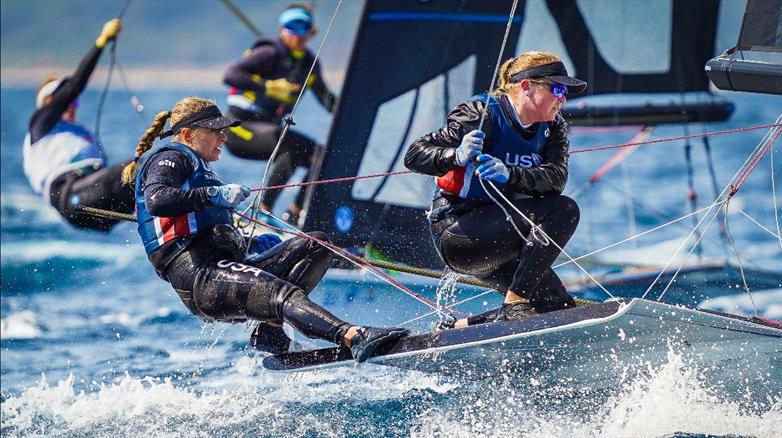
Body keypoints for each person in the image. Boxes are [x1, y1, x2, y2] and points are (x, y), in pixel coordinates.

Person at [121, 96, 406, 361]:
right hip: (200, 277)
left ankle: (270, 330)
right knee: (279, 292)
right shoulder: (170, 157)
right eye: (215, 131)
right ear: (187, 135)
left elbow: (213, 231)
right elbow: (157, 200)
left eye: (224, 129)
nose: (224, 136)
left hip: (225, 264)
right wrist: (213, 195)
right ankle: (353, 336)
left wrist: (253, 242)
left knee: (316, 244)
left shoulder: (202, 168)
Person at [405, 51, 585, 325]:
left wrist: (509, 173)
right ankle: (514, 302)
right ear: (527, 86)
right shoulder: (480, 114)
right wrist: (456, 156)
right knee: (565, 210)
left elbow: (556, 179)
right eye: (557, 88)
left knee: (558, 311)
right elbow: (414, 155)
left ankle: (459, 327)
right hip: (459, 232)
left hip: (504, 240)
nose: (563, 98)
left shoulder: (554, 127)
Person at [222, 3, 336, 224]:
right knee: (291, 145)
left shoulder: (308, 64)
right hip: (239, 130)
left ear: (312, 32)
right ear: (281, 28)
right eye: (290, 26)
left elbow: (327, 100)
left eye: (302, 27)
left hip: (269, 131)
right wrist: (269, 86)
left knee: (322, 156)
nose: (296, 33)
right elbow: (231, 74)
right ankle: (263, 209)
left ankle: (296, 214)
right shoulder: (269, 51)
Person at [23, 18, 134, 232]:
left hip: (96, 205)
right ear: (49, 103)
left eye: (74, 102)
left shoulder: (78, 134)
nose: (72, 105)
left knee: (160, 175)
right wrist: (101, 43)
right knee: (145, 167)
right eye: (66, 100)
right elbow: (75, 85)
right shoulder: (41, 123)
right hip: (71, 196)